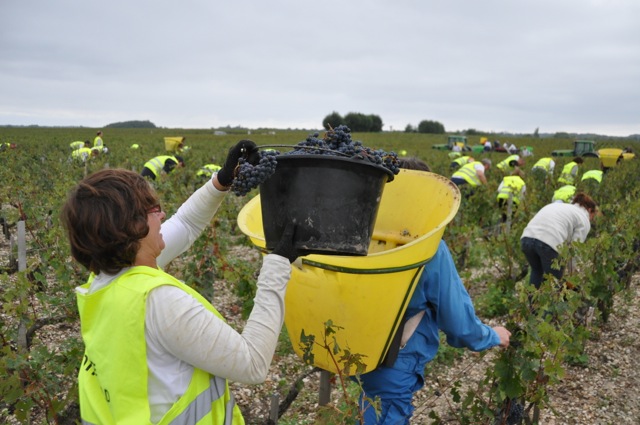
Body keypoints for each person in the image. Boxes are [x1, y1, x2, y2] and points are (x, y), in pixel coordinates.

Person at [61, 140, 300, 424]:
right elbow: (253, 363)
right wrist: (278, 264)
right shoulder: (159, 302)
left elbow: (185, 223)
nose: (162, 214)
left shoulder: (108, 278)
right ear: (131, 228)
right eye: (153, 210)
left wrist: (221, 181)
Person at [358, 157, 511, 425]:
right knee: (389, 414)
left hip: (355, 350)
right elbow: (458, 322)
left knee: (368, 407)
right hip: (396, 359)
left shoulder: (360, 235)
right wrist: (491, 336)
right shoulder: (426, 247)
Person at [520, 193, 597, 289]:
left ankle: (532, 303)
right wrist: (572, 275)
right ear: (590, 210)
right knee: (554, 281)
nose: (591, 219)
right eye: (593, 216)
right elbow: (574, 250)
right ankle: (550, 303)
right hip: (548, 242)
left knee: (537, 271)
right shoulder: (583, 218)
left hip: (527, 238)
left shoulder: (560, 206)